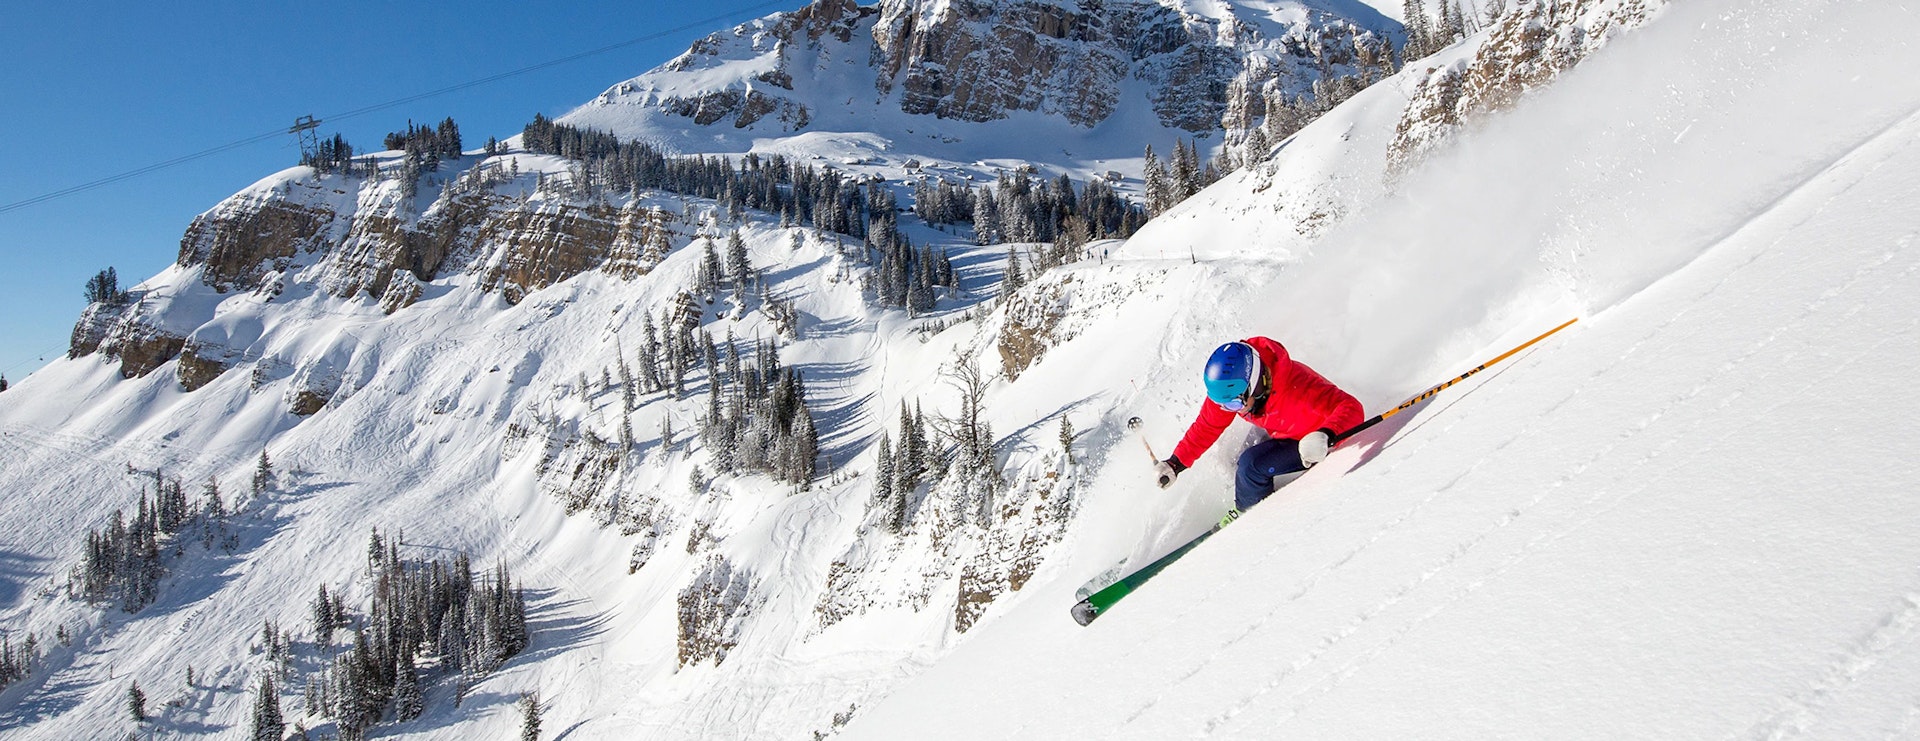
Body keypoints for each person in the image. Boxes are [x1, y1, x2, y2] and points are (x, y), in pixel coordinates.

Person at [1155, 338, 1364, 515]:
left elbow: (1351, 407)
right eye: (1224, 405)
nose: (1231, 409)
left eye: (1234, 404)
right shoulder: (1232, 391)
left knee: (1250, 466)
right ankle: (1251, 496)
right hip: (1282, 431)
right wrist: (1176, 463)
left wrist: (1326, 434)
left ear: (1256, 384)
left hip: (1314, 442)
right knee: (1234, 460)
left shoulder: (1301, 389)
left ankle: (1250, 517)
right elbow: (1208, 425)